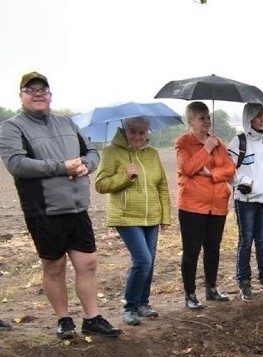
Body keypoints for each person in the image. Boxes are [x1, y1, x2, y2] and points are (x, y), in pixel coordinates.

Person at [0, 71, 121, 339]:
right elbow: (16, 164)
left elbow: (92, 152)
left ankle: (92, 318)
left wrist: (86, 166)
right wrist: (61, 167)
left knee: (87, 263)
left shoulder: (67, 123)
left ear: (50, 95)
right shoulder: (12, 127)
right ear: (21, 96)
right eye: (31, 90)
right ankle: (63, 319)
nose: (38, 93)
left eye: (42, 89)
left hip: (77, 206)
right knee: (54, 266)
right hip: (44, 209)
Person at [95, 117, 171, 326]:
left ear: (148, 132)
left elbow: (162, 185)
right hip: (126, 217)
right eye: (133, 131)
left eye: (142, 132)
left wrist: (165, 215)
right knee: (143, 260)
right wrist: (125, 176)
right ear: (124, 130)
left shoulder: (152, 154)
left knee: (149, 262)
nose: (137, 136)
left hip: (152, 216)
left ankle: (143, 303)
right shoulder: (111, 152)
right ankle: (130, 307)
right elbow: (101, 184)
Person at [175, 101, 236, 310]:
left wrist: (212, 174)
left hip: (217, 205)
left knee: (213, 249)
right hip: (192, 206)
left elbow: (230, 169)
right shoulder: (183, 143)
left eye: (208, 117)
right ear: (190, 121)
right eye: (201, 118)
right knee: (192, 250)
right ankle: (190, 293)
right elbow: (187, 168)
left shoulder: (218, 143)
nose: (207, 122)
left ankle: (211, 288)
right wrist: (205, 151)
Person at [227, 103, 263, 302]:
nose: (262, 120)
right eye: (258, 117)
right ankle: (244, 281)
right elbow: (229, 170)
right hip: (246, 201)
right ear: (249, 118)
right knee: (246, 240)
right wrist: (243, 182)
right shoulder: (238, 142)